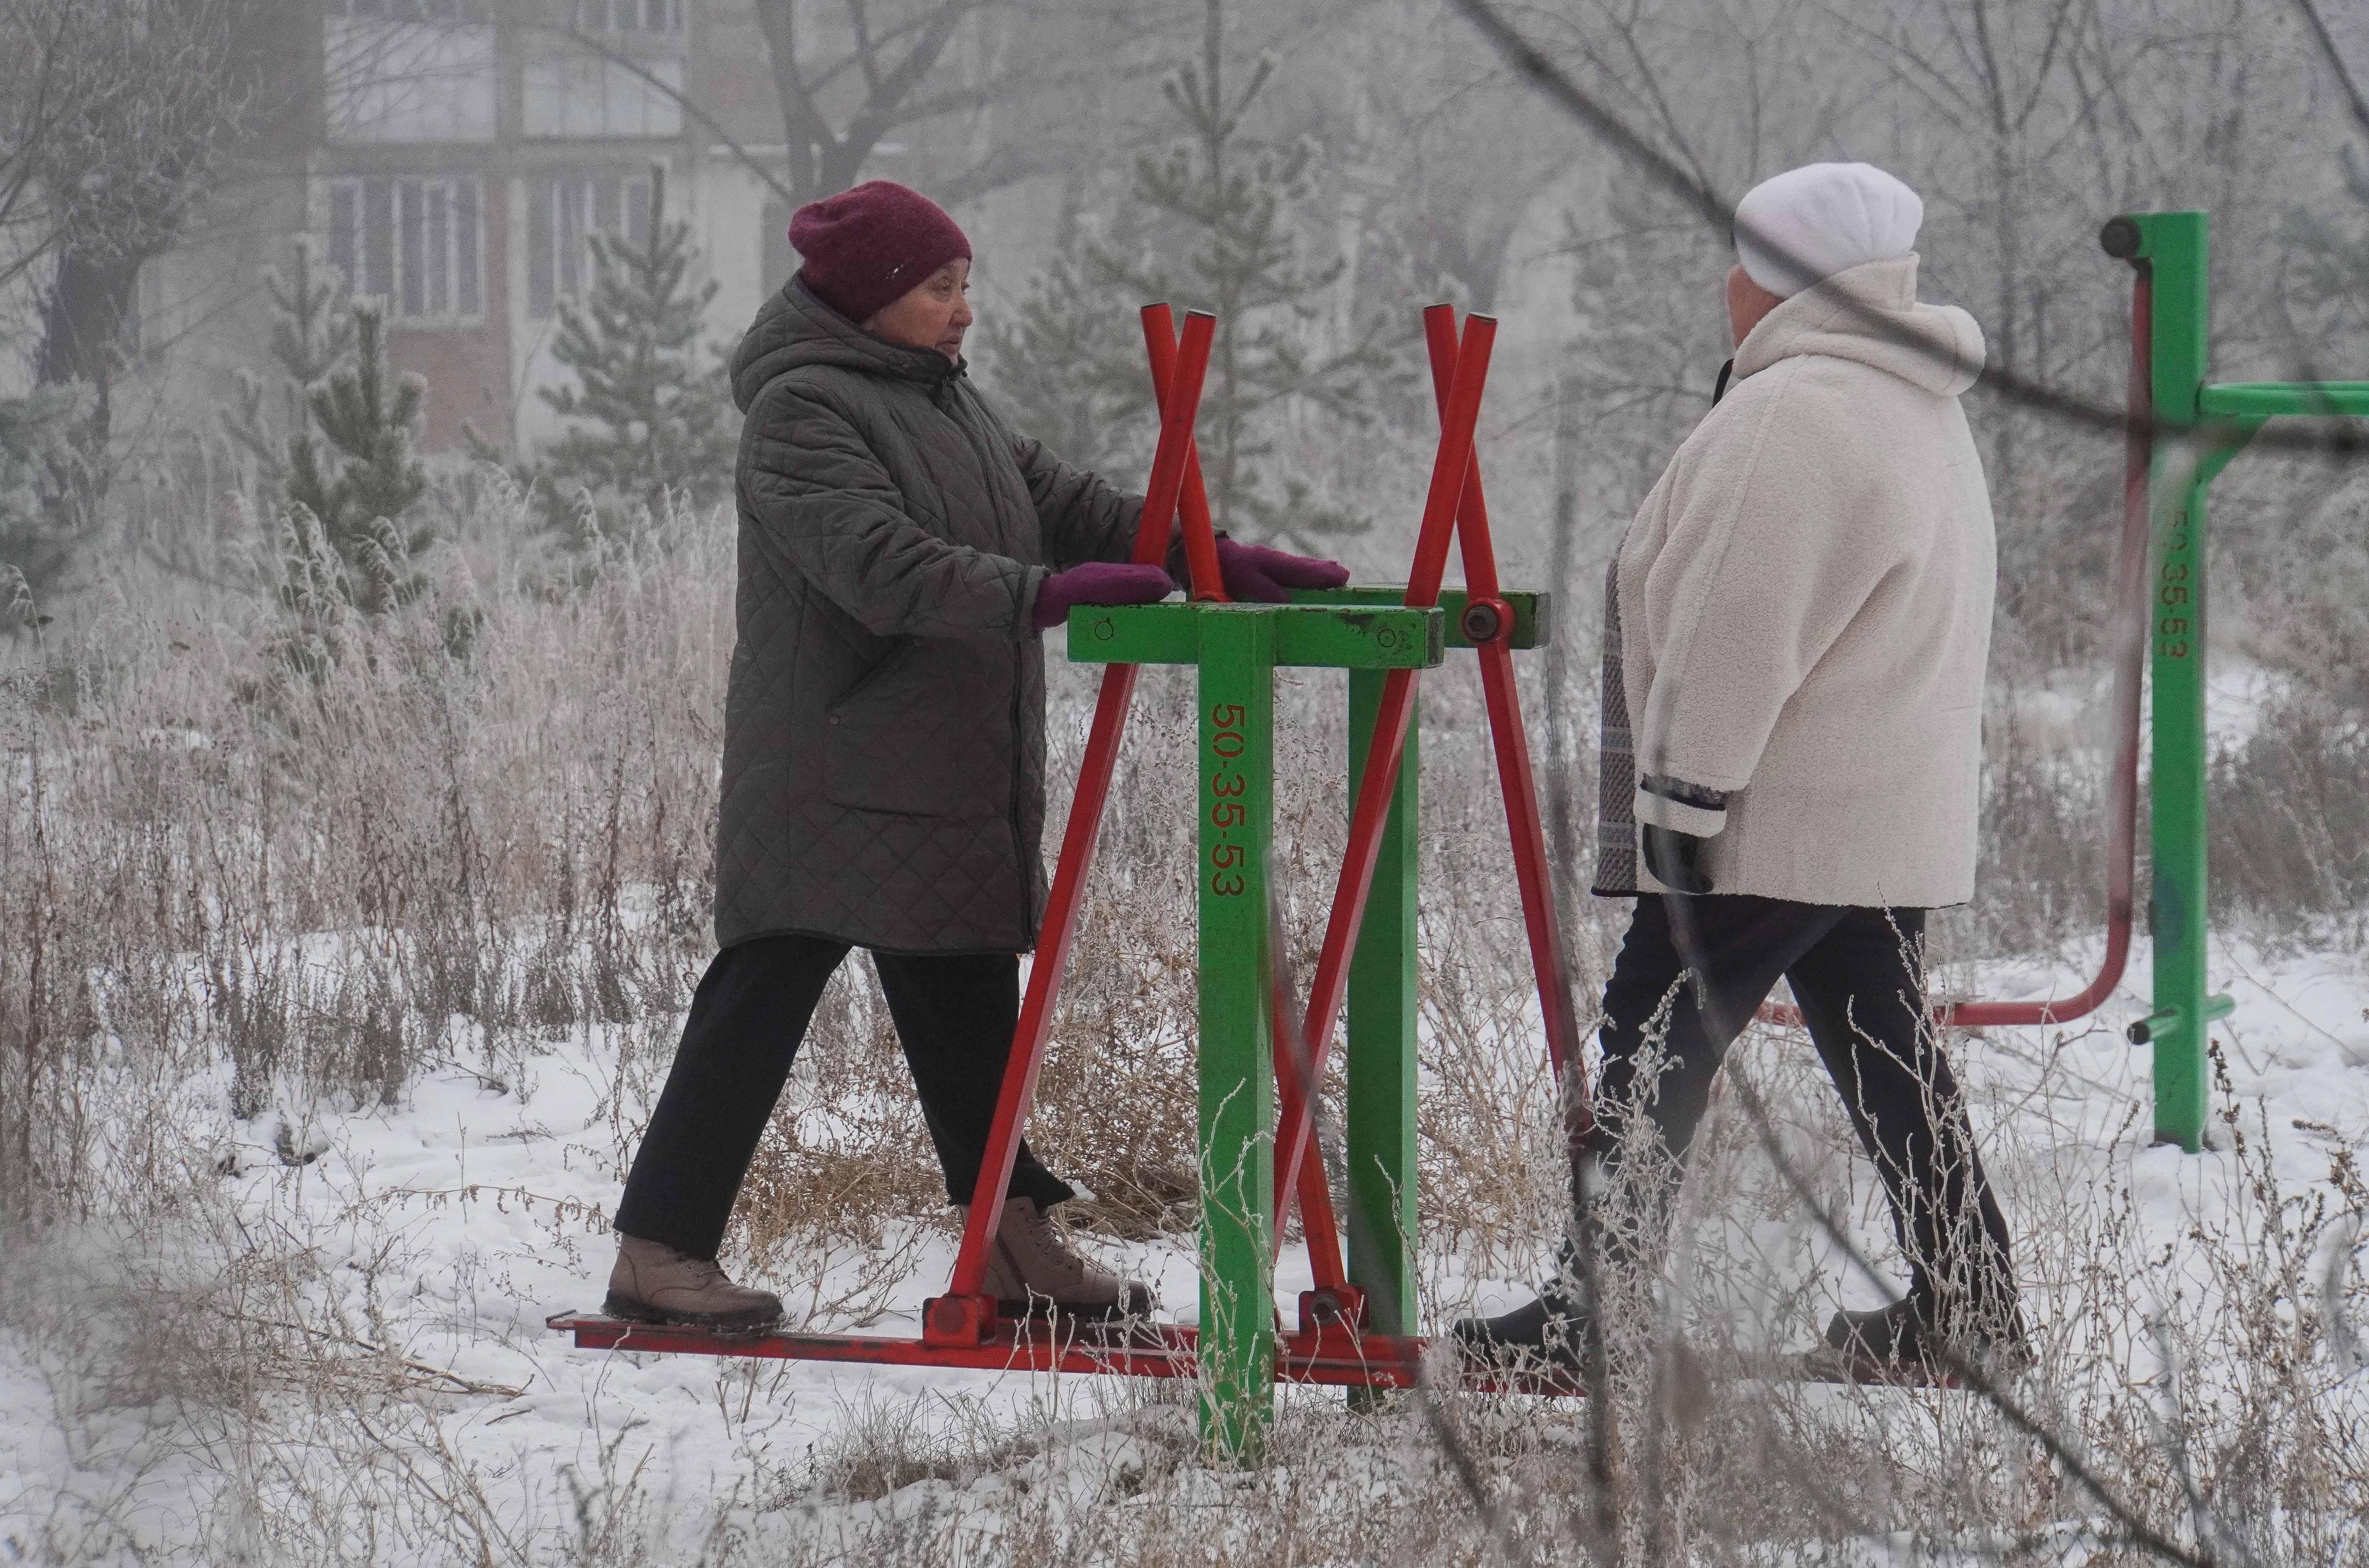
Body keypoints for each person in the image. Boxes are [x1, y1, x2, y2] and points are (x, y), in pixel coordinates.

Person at [605, 180, 1348, 1330]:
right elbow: (879, 564)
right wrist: (1044, 596)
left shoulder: (946, 401)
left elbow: (1070, 507)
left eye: (965, 286)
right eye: (939, 288)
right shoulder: (801, 412)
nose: (963, 311)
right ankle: (657, 1250)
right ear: (869, 298)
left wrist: (1211, 556)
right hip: (832, 761)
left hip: (939, 758)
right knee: (764, 990)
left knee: (963, 992)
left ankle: (1007, 1235)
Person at [1456, 162, 2024, 1380]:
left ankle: (1585, 1317)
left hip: (1770, 809)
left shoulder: (1795, 412)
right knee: (1883, 1046)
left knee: (1652, 1033)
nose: (1727, 284)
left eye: (1742, 259)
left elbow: (1735, 625)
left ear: (1772, 275)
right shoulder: (1913, 398)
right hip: (1867, 808)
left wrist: (1682, 799)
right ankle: (1970, 1309)